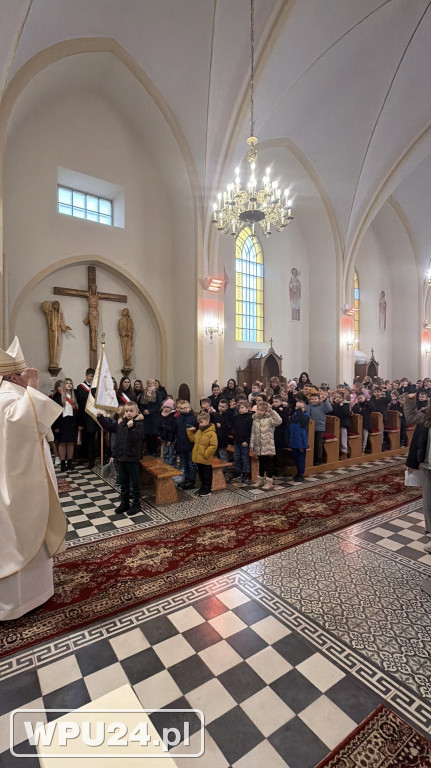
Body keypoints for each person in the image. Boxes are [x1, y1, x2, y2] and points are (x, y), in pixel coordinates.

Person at [0, 337, 67, 620]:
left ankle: (36, 590)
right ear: (14, 376)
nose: (30, 375)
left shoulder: (14, 396)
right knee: (21, 532)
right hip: (19, 484)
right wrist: (34, 387)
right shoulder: (7, 398)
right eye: (25, 372)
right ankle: (18, 601)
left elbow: (38, 427)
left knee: (33, 528)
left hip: (28, 477)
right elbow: (20, 426)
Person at [97, 401, 145, 516]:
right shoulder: (122, 424)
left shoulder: (139, 424)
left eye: (131, 411)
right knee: (123, 482)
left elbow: (136, 440)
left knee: (135, 482)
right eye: (127, 411)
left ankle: (137, 504)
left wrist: (130, 428)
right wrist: (100, 418)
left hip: (132, 458)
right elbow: (114, 434)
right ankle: (125, 503)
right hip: (121, 458)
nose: (128, 413)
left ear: (137, 412)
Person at [404, 393, 431, 551]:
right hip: (427, 463)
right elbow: (411, 420)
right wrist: (412, 462)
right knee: (428, 502)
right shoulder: (425, 415)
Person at [250, 401, 282, 490]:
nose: (259, 412)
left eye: (262, 410)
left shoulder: (270, 420)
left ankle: (269, 481)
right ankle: (260, 479)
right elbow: (253, 433)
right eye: (258, 410)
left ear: (266, 411)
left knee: (269, 464)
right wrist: (252, 444)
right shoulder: (255, 420)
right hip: (258, 446)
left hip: (267, 445)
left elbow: (279, 421)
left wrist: (271, 411)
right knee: (261, 463)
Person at [187, 412, 218, 496]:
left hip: (205, 457)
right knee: (200, 474)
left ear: (207, 421)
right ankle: (202, 487)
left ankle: (207, 489)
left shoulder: (212, 433)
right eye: (199, 423)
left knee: (207, 474)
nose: (199, 424)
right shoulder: (199, 432)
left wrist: (206, 453)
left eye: (201, 422)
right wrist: (190, 432)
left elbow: (213, 445)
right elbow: (193, 440)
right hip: (198, 458)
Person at [52, 377, 79, 472]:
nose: (69, 384)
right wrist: (55, 426)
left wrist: (75, 407)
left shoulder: (74, 396)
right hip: (61, 422)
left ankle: (70, 462)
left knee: (71, 443)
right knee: (62, 443)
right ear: (63, 385)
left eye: (70, 383)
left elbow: (78, 411)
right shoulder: (57, 396)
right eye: (67, 383)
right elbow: (54, 412)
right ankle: (63, 463)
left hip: (71, 421)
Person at [75, 367, 98, 467]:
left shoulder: (96, 387)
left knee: (93, 439)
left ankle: (94, 457)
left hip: (96, 416)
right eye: (90, 376)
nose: (92, 378)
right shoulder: (80, 387)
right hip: (86, 417)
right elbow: (81, 403)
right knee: (88, 439)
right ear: (86, 376)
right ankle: (90, 460)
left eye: (93, 377)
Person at [41, 300, 71, 368]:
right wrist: (47, 306)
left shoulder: (60, 315)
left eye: (57, 305)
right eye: (55, 305)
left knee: (57, 345)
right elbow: (45, 309)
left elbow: (61, 323)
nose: (56, 306)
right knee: (52, 346)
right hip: (52, 331)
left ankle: (55, 361)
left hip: (58, 331)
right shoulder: (50, 313)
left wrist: (65, 327)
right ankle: (52, 361)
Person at [286, 399, 310, 482]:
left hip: (301, 441)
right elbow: (289, 427)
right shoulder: (293, 416)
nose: (298, 409)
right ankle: (298, 472)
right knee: (295, 457)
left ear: (305, 408)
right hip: (293, 440)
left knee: (301, 457)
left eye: (300, 407)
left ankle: (301, 473)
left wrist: (300, 412)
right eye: (297, 407)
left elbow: (303, 422)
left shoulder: (306, 416)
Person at [158, 397, 177, 466]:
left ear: (171, 408)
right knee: (165, 452)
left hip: (171, 437)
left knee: (171, 453)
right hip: (164, 437)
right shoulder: (161, 415)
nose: (166, 409)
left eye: (168, 407)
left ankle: (171, 466)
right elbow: (160, 425)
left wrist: (170, 439)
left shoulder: (173, 416)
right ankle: (166, 464)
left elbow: (173, 428)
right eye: (165, 407)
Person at [83, 283, 99, 351]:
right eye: (92, 288)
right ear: (90, 289)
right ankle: (93, 344)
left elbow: (109, 296)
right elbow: (76, 292)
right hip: (91, 313)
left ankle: (95, 344)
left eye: (95, 288)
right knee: (93, 330)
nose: (93, 289)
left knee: (96, 330)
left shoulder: (98, 296)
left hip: (96, 314)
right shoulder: (88, 296)